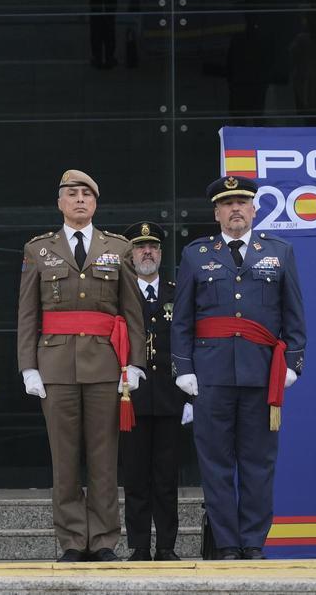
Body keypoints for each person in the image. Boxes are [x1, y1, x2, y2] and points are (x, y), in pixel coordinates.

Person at [170, 175, 306, 560]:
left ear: (254, 209)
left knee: (258, 463)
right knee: (214, 463)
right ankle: (227, 544)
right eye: (227, 204)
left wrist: (293, 363)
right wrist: (183, 368)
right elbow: (182, 319)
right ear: (216, 212)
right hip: (210, 376)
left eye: (242, 203)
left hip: (262, 375)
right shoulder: (196, 254)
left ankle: (253, 542)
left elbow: (294, 315)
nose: (235, 210)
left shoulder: (279, 252)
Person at [16, 169, 146, 562]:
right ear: (59, 202)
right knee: (65, 458)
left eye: (87, 195)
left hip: (106, 367)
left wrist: (134, 363)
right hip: (55, 366)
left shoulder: (118, 247)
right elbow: (27, 313)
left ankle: (104, 540)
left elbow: (131, 311)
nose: (79, 201)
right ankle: (73, 540)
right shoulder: (38, 249)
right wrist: (28, 366)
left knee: (105, 458)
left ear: (96, 203)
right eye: (72, 194)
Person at [120, 221, 186, 562]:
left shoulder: (178, 292)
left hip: (171, 398)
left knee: (166, 476)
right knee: (135, 476)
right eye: (140, 247)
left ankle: (166, 546)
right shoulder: (120, 294)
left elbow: (190, 343)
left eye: (154, 247)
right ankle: (139, 546)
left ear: (161, 253)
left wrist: (191, 398)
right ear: (130, 255)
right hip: (131, 399)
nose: (148, 252)